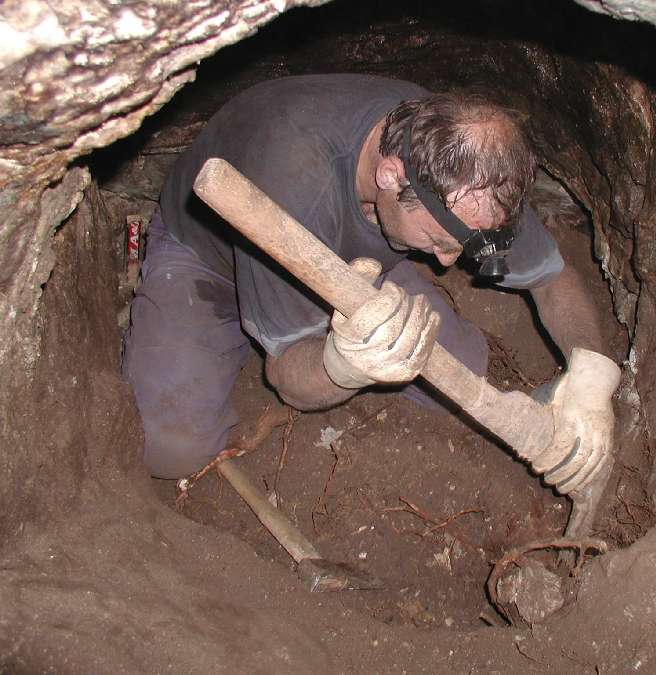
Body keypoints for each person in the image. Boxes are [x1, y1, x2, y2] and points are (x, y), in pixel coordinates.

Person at [123, 74, 619, 497]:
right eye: (437, 242)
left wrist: (592, 376)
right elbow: (289, 376)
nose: (447, 262)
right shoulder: (296, 174)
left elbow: (553, 279)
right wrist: (344, 367)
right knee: (170, 448)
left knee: (464, 371)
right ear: (390, 176)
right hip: (211, 263)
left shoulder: (465, 166)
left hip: (352, 258)